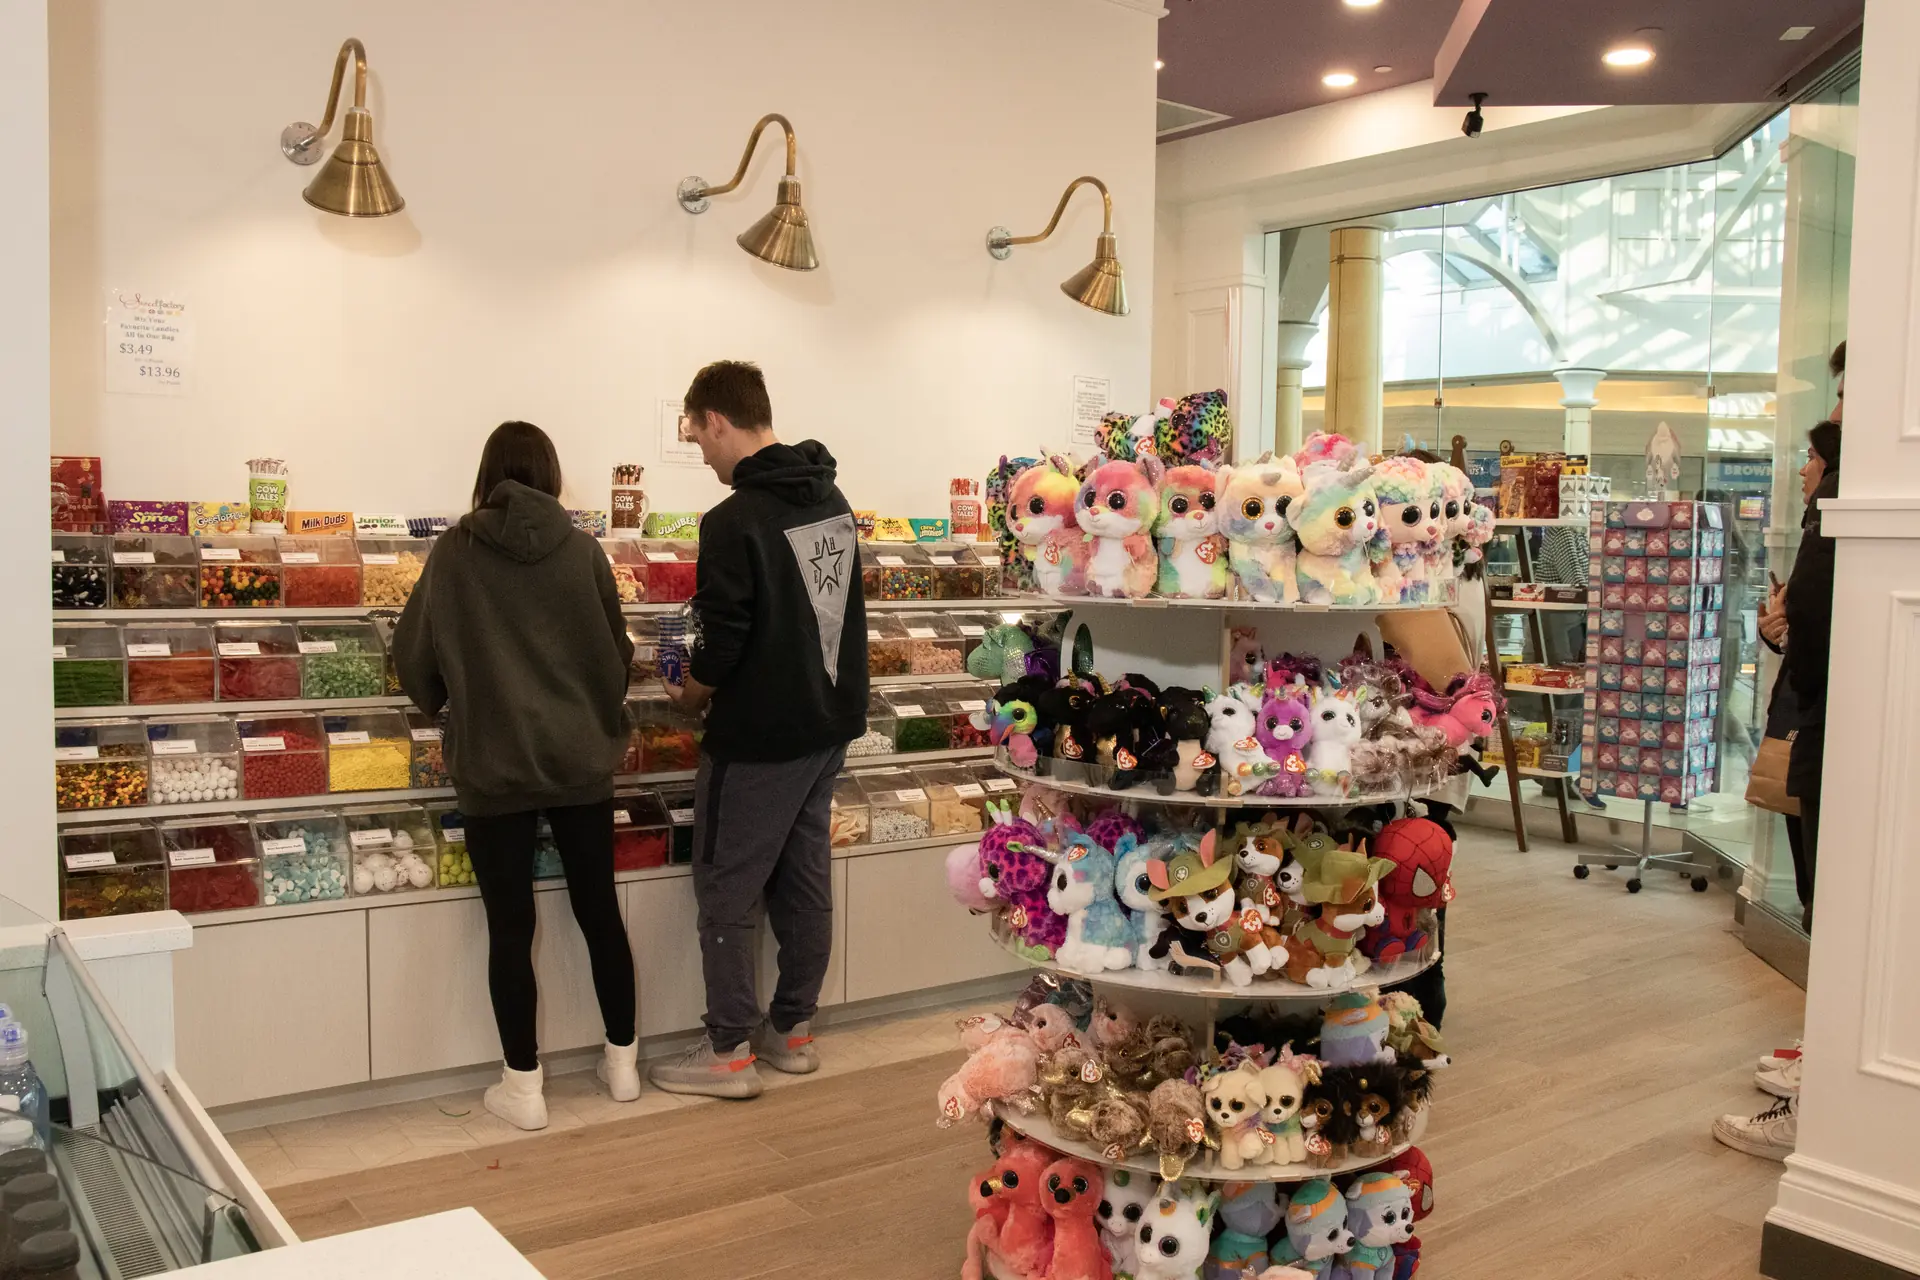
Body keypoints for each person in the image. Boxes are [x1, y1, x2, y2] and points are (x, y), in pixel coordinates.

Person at [393, 422, 640, 1131]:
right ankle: (622, 1066)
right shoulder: (583, 552)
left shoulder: (455, 553)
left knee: (510, 928)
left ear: (489, 475)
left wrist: (449, 700)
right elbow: (615, 657)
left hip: (494, 768)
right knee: (599, 913)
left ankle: (523, 1088)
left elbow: (415, 657)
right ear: (551, 475)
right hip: (579, 765)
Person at [650, 361, 869, 1100]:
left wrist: (687, 691)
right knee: (804, 877)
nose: (701, 453)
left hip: (760, 735)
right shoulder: (829, 496)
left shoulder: (735, 519)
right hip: (828, 723)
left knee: (727, 885)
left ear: (717, 419)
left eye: (695, 435)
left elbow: (724, 642)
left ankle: (729, 1051)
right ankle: (793, 1031)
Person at [1713, 339, 1843, 1163]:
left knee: (1834, 897)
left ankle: (1828, 1094)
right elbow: (1810, 629)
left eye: (1812, 456)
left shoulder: (1847, 521)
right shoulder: (1828, 521)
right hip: (1818, 721)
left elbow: (1824, 634)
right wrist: (1781, 626)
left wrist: (1790, 627)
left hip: (1826, 729)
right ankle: (1823, 1055)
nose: (1803, 465)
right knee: (1822, 893)